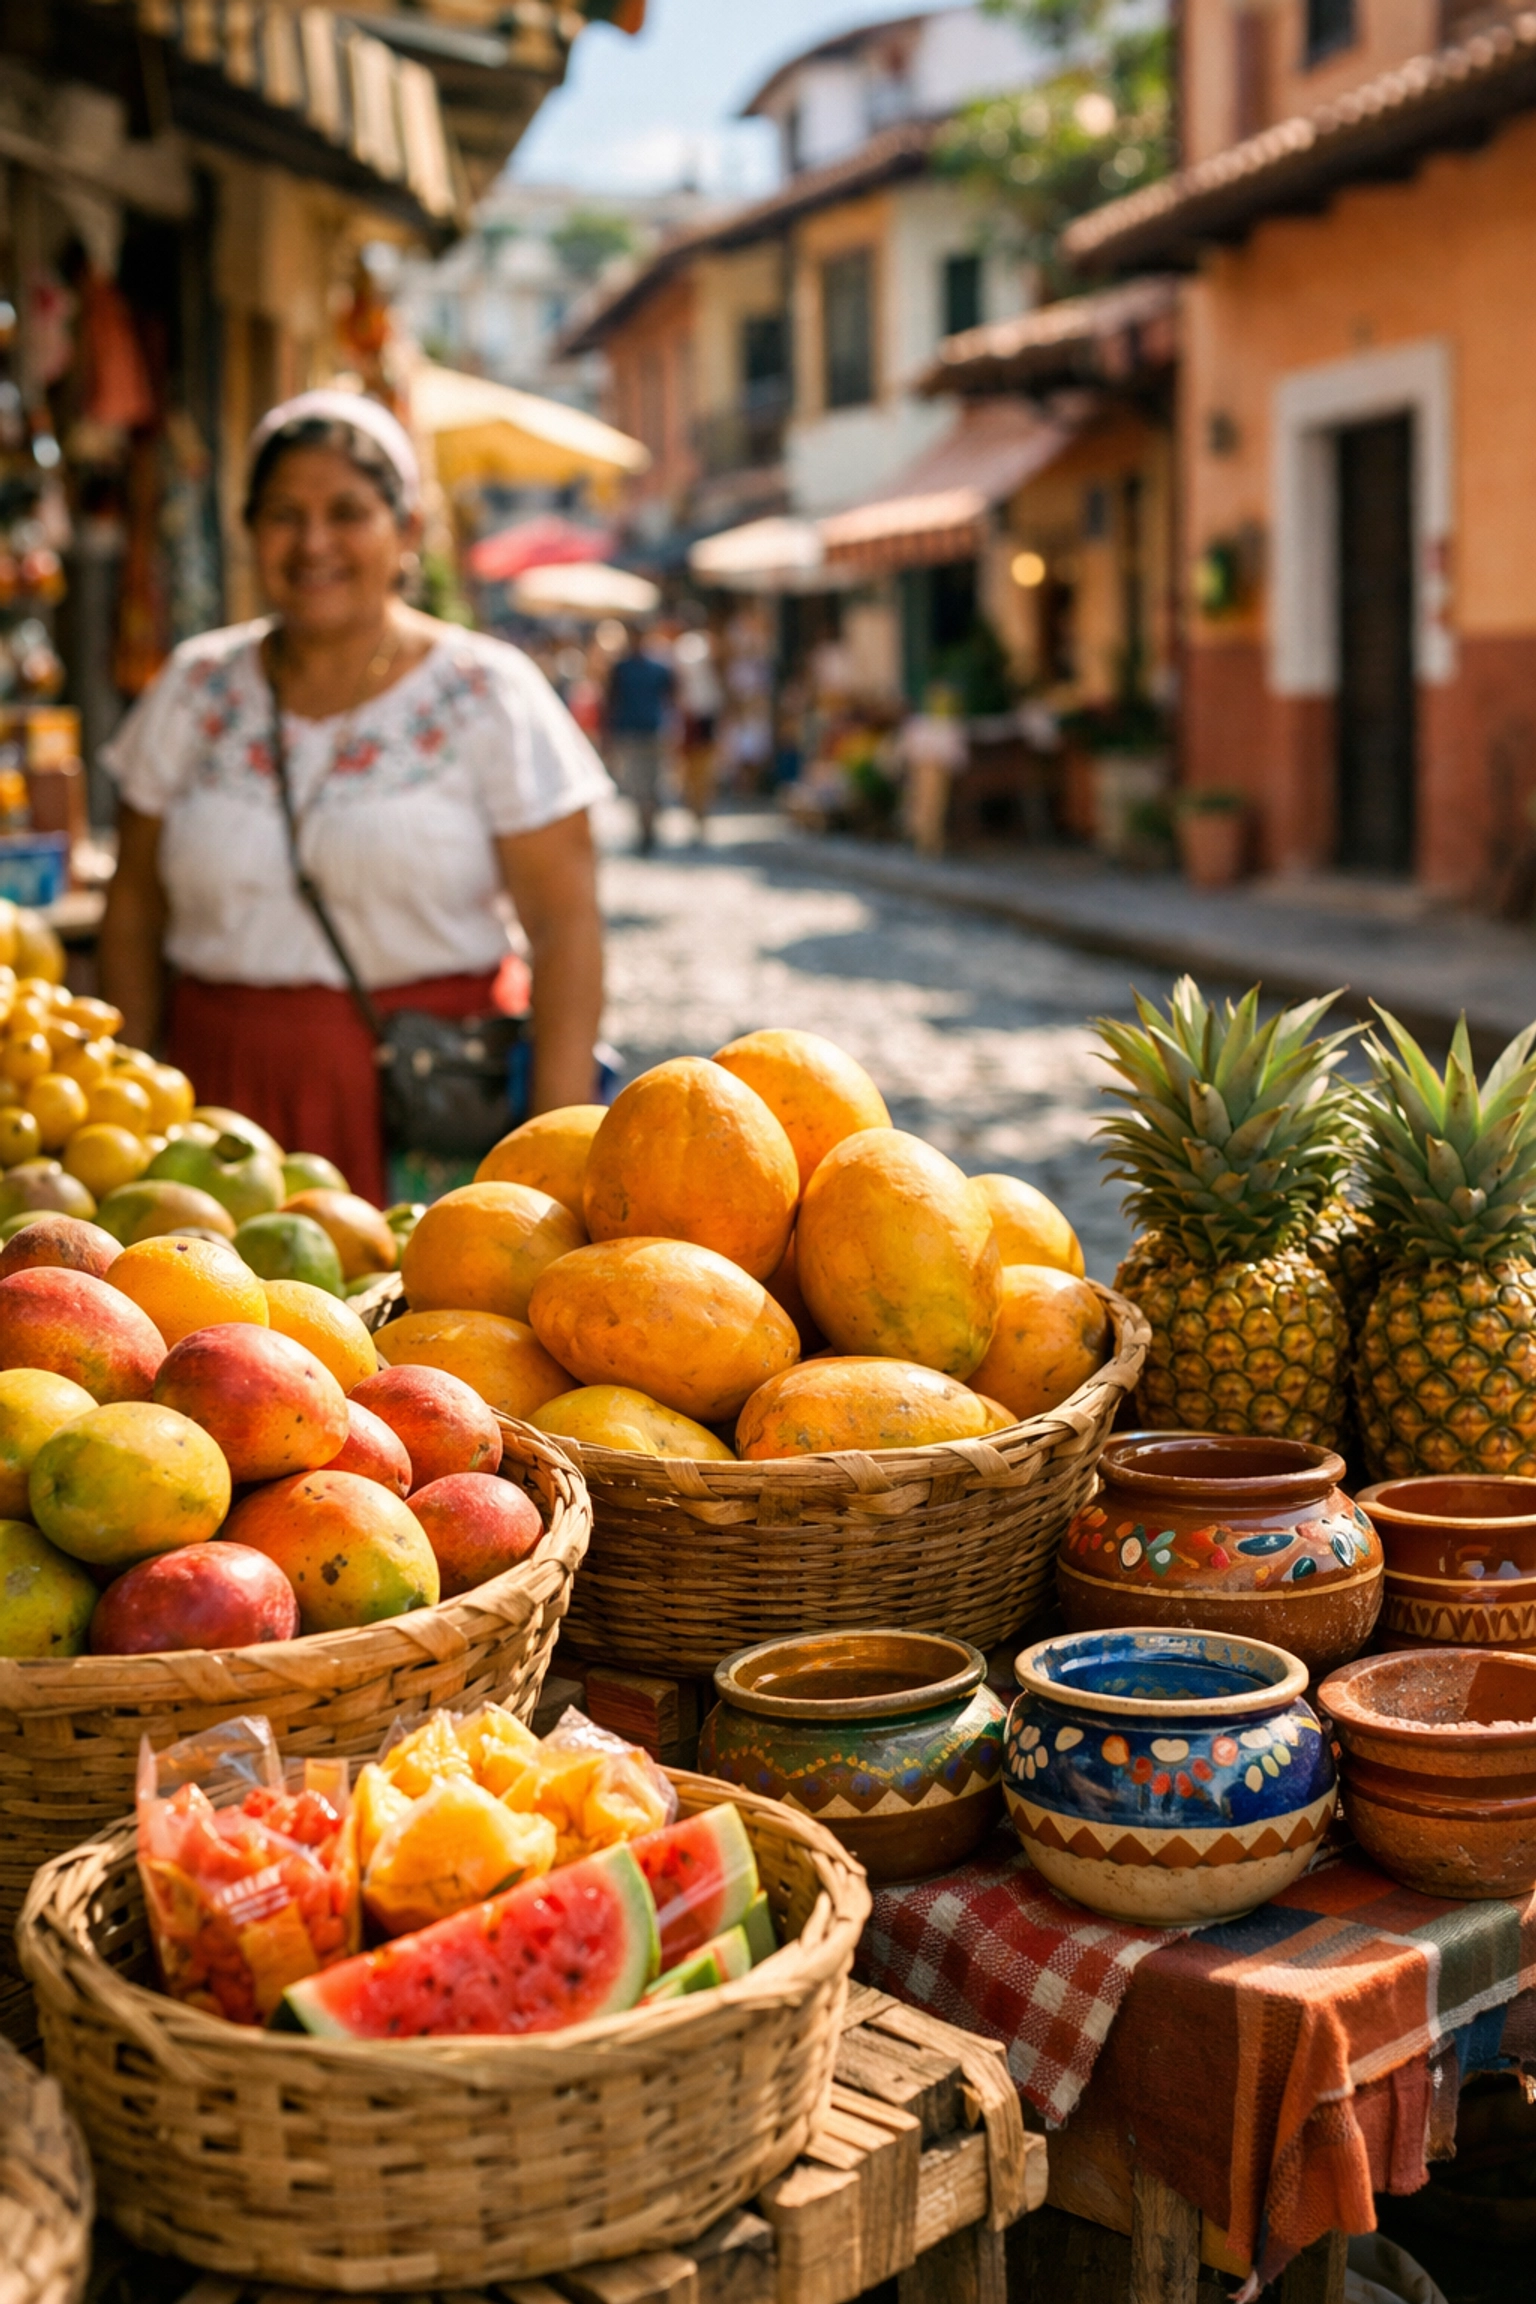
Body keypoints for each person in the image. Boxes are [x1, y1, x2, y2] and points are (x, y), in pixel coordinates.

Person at [97, 388, 610, 1206]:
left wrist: (558, 1153)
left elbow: (565, 925)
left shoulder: (486, 693)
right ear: (249, 530)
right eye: (283, 515)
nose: (313, 544)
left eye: (347, 512)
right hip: (211, 1111)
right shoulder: (194, 689)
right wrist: (126, 1098)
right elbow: (132, 905)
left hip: (424, 1105)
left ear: (406, 529)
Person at [604, 625, 675, 853]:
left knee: (647, 784)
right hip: (636, 732)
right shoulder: (624, 668)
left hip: (647, 731)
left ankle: (647, 828)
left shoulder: (649, 668)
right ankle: (646, 828)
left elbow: (671, 698)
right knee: (642, 784)